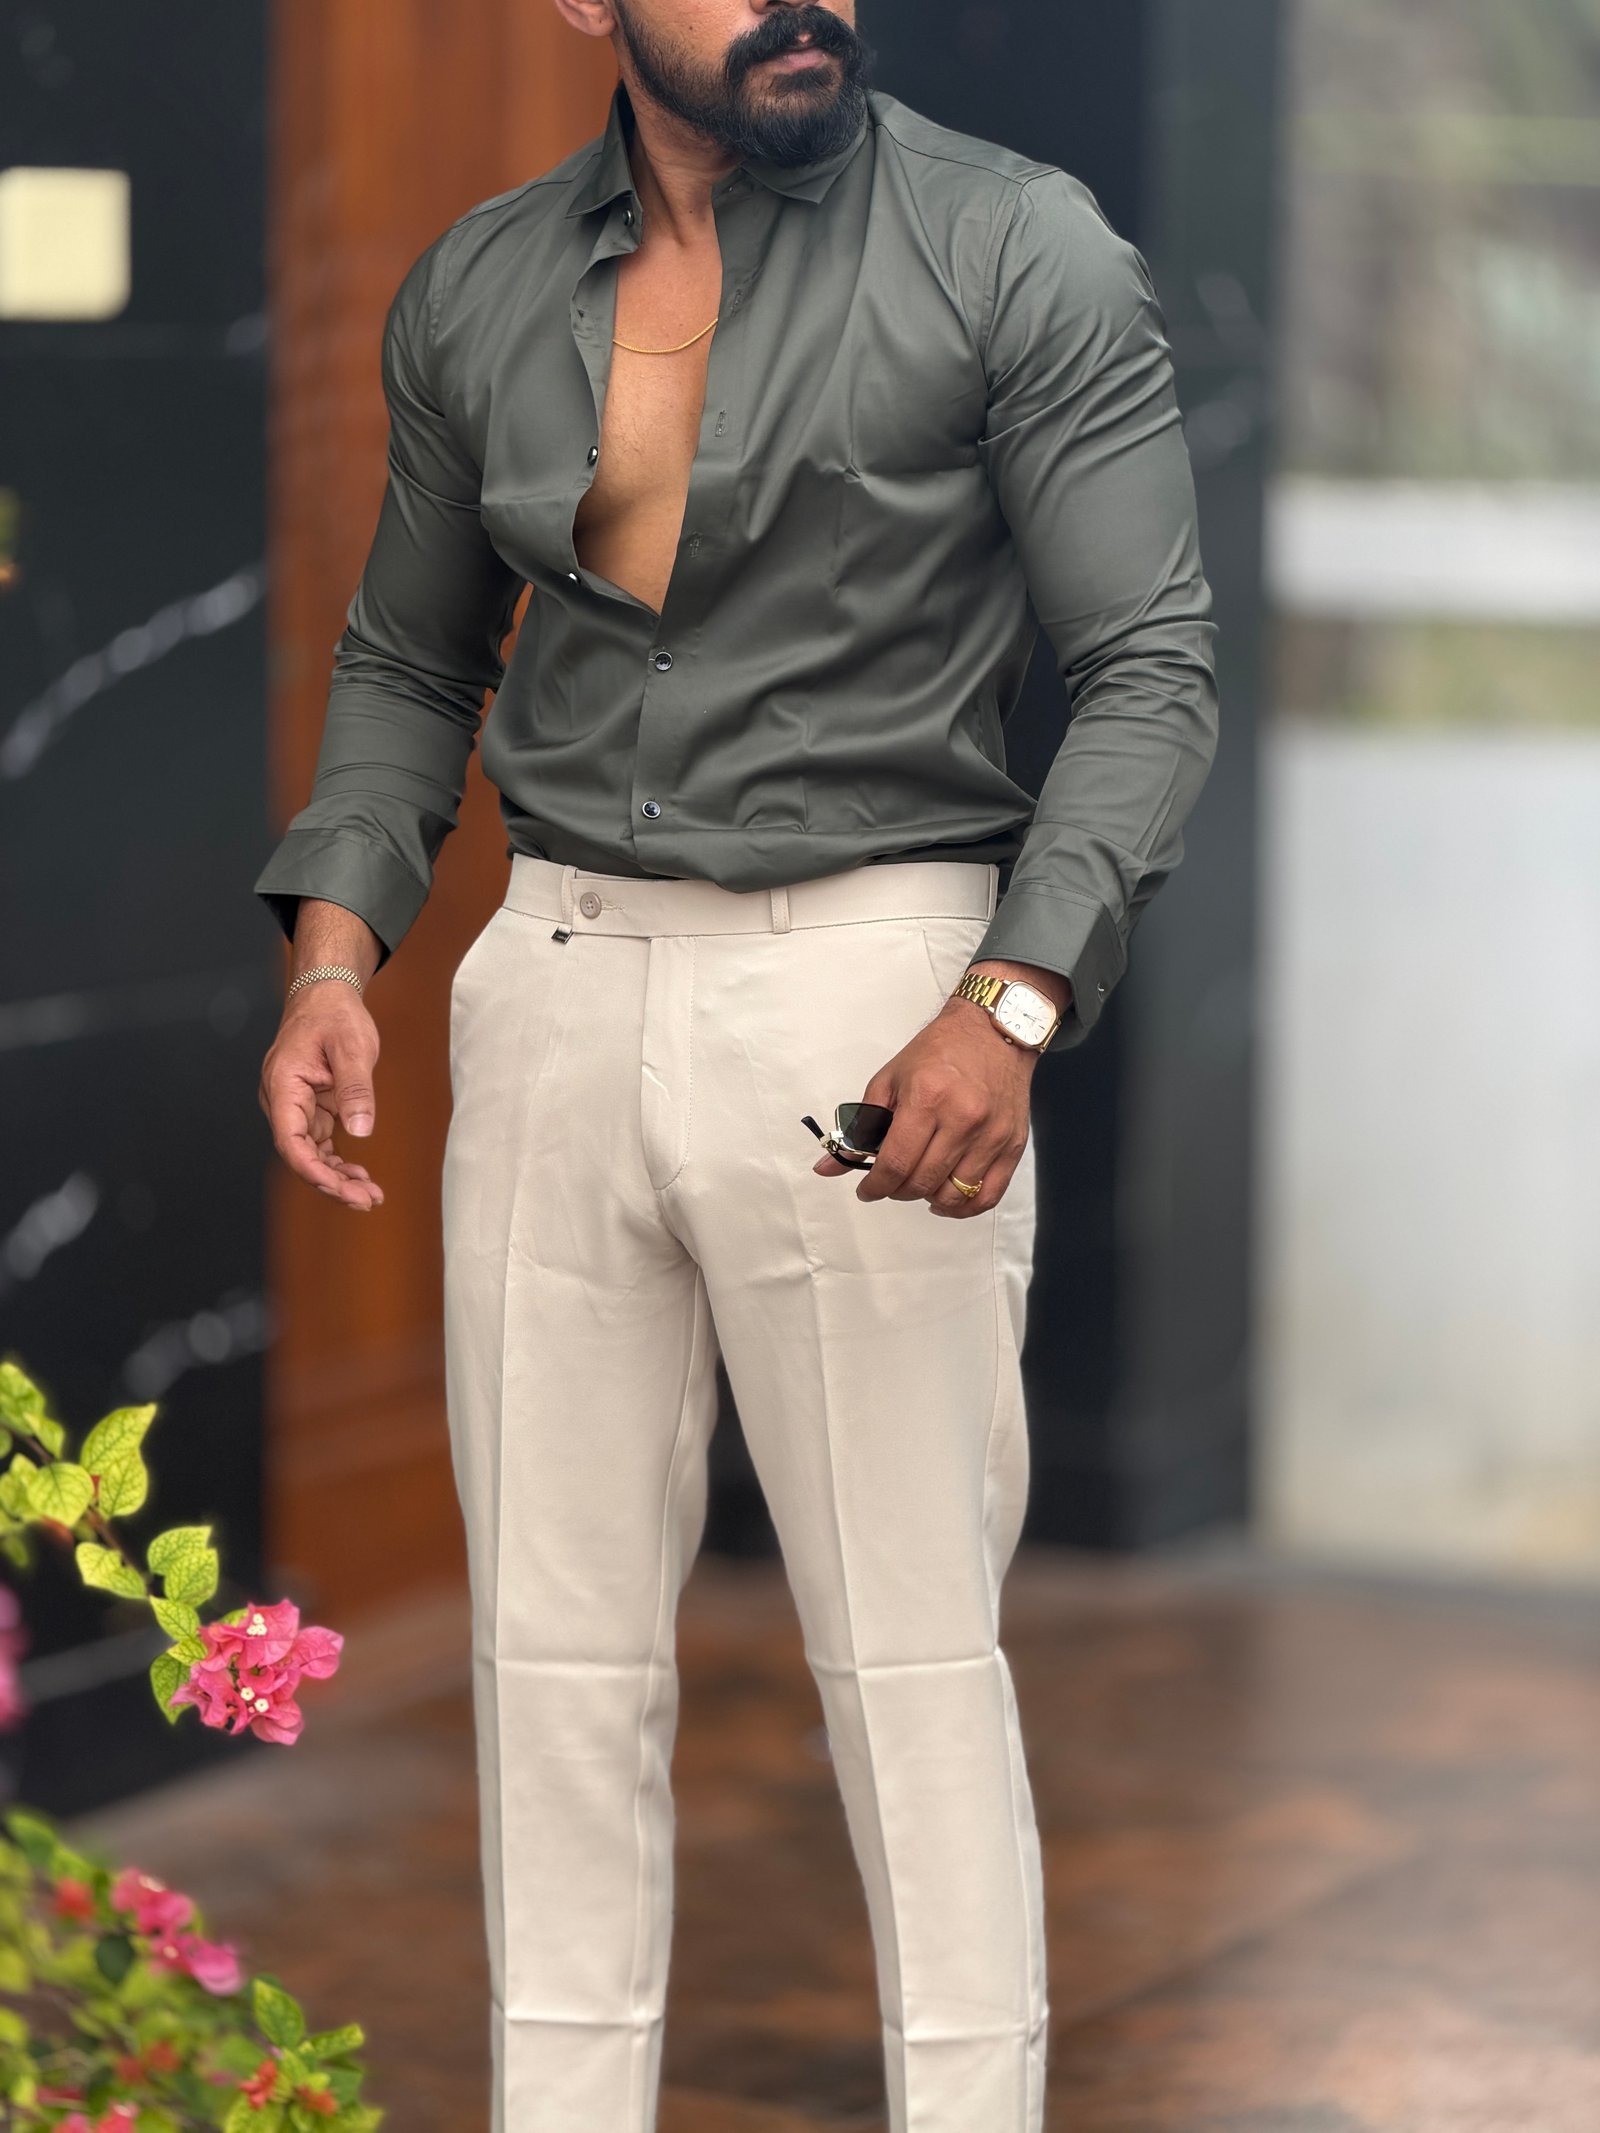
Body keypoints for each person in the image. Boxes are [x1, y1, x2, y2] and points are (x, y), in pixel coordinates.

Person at [254, 3, 1218, 2127]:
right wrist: (337, 951)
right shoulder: (481, 284)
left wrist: (1011, 998)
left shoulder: (1013, 244)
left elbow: (1149, 669)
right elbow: (411, 653)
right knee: (551, 1667)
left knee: (909, 1663)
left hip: (874, 983)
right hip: (553, 974)